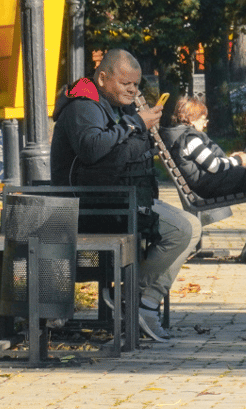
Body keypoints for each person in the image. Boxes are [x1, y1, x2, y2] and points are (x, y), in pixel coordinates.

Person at [50, 49, 199, 343]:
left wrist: (137, 129)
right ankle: (138, 300)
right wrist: (136, 125)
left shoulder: (117, 107)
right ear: (103, 78)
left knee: (191, 226)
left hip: (117, 201)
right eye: (125, 84)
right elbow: (94, 149)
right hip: (90, 209)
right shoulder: (84, 106)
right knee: (184, 229)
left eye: (136, 84)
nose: (132, 90)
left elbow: (131, 149)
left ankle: (140, 300)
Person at [159, 97, 246, 198]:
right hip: (206, 187)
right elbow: (214, 166)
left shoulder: (181, 137)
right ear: (192, 119)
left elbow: (207, 162)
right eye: (203, 119)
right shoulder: (190, 139)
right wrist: (237, 160)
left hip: (204, 185)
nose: (205, 123)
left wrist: (230, 160)